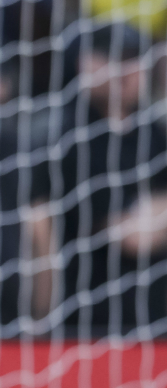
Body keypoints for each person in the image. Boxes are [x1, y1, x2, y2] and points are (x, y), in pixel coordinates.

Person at [29, 23, 167, 335]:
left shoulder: (155, 134)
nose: (126, 71)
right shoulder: (67, 138)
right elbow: (132, 236)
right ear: (87, 64)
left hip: (156, 318)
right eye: (115, 59)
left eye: (133, 59)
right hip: (90, 321)